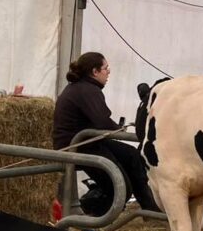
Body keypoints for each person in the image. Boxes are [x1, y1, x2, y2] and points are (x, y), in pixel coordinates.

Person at [52, 52, 160, 216]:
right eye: (105, 68)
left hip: (88, 141)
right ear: (95, 72)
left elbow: (101, 122)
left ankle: (149, 210)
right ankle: (93, 220)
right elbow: (102, 122)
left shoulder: (82, 87)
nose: (108, 72)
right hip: (77, 146)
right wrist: (118, 128)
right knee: (121, 186)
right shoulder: (87, 90)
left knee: (132, 155)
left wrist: (116, 128)